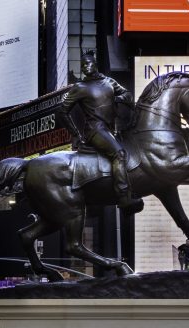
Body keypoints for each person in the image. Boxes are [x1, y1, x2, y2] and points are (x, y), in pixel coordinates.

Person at [60, 49, 140, 214]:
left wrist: (117, 98)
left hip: (111, 130)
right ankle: (124, 197)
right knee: (119, 154)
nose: (85, 68)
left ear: (95, 64)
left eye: (88, 64)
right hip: (95, 131)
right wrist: (75, 134)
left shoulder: (109, 82)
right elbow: (62, 111)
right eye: (82, 66)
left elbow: (128, 94)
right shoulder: (80, 87)